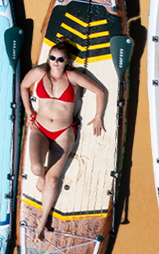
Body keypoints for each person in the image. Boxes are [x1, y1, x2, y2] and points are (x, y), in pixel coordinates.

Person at [17, 39, 107, 241]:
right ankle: (41, 176)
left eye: (60, 59)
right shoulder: (39, 73)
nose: (55, 62)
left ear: (67, 61)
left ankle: (42, 222)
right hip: (40, 128)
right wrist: (29, 111)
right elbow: (24, 86)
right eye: (52, 58)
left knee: (53, 179)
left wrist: (98, 116)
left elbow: (100, 92)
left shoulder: (72, 76)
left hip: (63, 131)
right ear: (48, 58)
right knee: (37, 169)